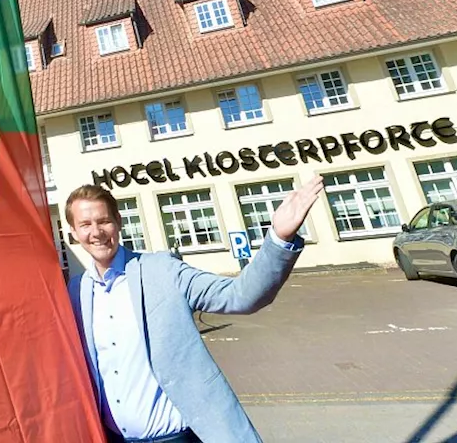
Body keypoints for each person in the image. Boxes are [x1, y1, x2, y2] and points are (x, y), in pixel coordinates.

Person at [66, 176, 325, 443]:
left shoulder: (163, 271)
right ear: (73, 233)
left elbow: (242, 295)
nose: (96, 232)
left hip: (175, 438)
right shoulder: (76, 293)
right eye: (85, 224)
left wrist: (279, 238)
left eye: (103, 221)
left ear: (118, 222)